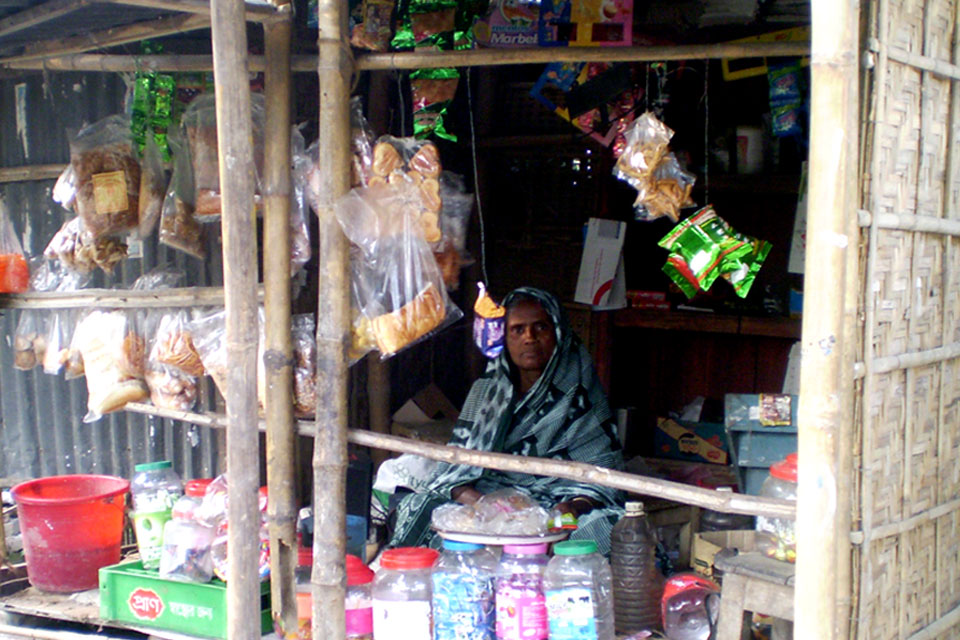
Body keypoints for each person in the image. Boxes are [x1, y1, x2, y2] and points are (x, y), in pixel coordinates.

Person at [390, 286, 624, 553]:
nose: (529, 338)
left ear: (558, 333)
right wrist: (486, 505)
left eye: (541, 328)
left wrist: (573, 506)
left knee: (603, 527)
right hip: (491, 499)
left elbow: (603, 476)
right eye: (517, 330)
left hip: (559, 500)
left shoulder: (580, 393)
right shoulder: (486, 392)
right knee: (419, 506)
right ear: (504, 336)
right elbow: (455, 470)